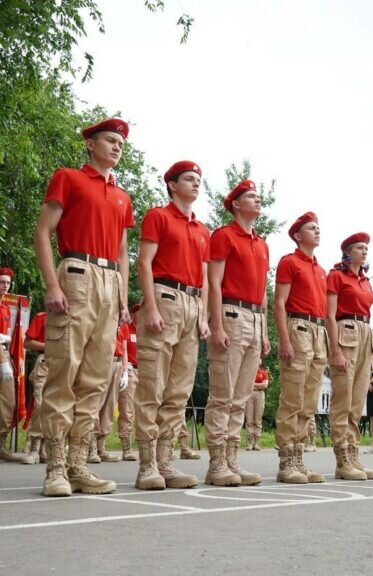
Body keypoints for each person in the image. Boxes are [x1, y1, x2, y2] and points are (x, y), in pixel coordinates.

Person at [33, 118, 133, 496]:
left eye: (121, 143)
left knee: (95, 377)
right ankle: (55, 467)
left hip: (111, 282)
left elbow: (123, 250)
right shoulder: (69, 178)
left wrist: (123, 296)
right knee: (65, 370)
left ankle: (78, 463)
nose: (117, 147)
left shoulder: (122, 196)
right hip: (77, 272)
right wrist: (52, 284)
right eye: (110, 140)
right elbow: (42, 231)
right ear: (90, 144)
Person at [133, 160, 211, 491]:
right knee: (152, 384)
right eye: (189, 179)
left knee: (179, 390)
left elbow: (205, 278)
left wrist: (205, 315)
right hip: (164, 298)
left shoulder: (202, 229)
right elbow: (144, 262)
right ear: (171, 184)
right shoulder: (158, 216)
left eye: (198, 180)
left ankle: (166, 461)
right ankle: (147, 464)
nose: (195, 184)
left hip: (193, 305)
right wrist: (149, 306)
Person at [204, 179, 269, 487]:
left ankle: (232, 459)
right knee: (223, 394)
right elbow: (213, 282)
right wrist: (215, 325)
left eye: (258, 197)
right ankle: (217, 462)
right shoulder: (224, 236)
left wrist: (265, 331)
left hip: (255, 318)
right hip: (231, 314)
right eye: (251, 197)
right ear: (236, 204)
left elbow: (263, 292)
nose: (257, 201)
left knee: (241, 396)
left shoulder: (261, 242)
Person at [273, 212, 328, 484]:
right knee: (292, 397)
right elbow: (280, 303)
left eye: (318, 228)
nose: (317, 231)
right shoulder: (289, 262)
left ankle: (299, 456)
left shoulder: (320, 270)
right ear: (297, 235)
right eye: (311, 228)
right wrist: (284, 339)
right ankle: (286, 460)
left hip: (319, 331)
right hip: (299, 327)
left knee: (309, 401)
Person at [327, 232, 373, 481]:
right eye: (359, 247)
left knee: (357, 401)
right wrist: (335, 349)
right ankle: (342, 457)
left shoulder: (366, 281)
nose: (364, 251)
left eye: (366, 247)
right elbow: (330, 314)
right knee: (343, 398)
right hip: (345, 330)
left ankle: (353, 452)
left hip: (365, 332)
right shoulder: (336, 275)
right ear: (347, 252)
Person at [89, 324, 129, 464]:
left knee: (110, 405)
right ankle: (90, 447)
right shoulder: (103, 315)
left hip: (117, 364)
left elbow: (124, 349)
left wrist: (125, 372)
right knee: (96, 404)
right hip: (102, 361)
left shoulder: (123, 325)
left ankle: (101, 446)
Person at [19, 311, 48, 464]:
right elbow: (27, 343)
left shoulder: (75, 317)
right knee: (40, 406)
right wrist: (49, 346)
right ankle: (34, 448)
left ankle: (44, 448)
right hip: (46, 361)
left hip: (64, 364)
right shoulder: (43, 317)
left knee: (56, 408)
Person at [0, 266, 21, 462]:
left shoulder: (6, 308)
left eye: (7, 283)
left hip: (3, 354)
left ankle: (1, 444)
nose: (5, 286)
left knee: (8, 401)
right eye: (1, 282)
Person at [117, 305, 140, 461]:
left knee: (148, 410)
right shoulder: (127, 328)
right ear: (133, 314)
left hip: (146, 372)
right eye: (139, 313)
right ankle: (126, 447)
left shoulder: (148, 331)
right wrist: (125, 371)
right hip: (131, 370)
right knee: (127, 409)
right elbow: (123, 350)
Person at [245, 366, 269, 450]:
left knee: (258, 420)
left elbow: (265, 385)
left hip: (260, 394)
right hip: (249, 395)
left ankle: (257, 443)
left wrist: (253, 384)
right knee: (249, 420)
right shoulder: (249, 371)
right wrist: (258, 385)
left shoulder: (263, 372)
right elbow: (246, 384)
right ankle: (249, 443)